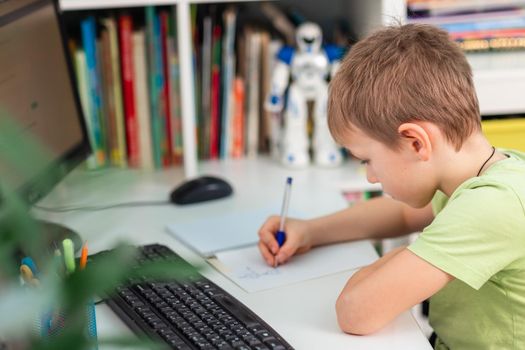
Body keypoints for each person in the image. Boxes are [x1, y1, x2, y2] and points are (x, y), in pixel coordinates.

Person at [257, 23, 525, 349]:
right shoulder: (483, 174)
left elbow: (355, 312)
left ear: (415, 143)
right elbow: (401, 215)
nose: (370, 176)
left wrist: (415, 257)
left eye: (366, 159)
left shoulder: (495, 207)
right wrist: (311, 231)